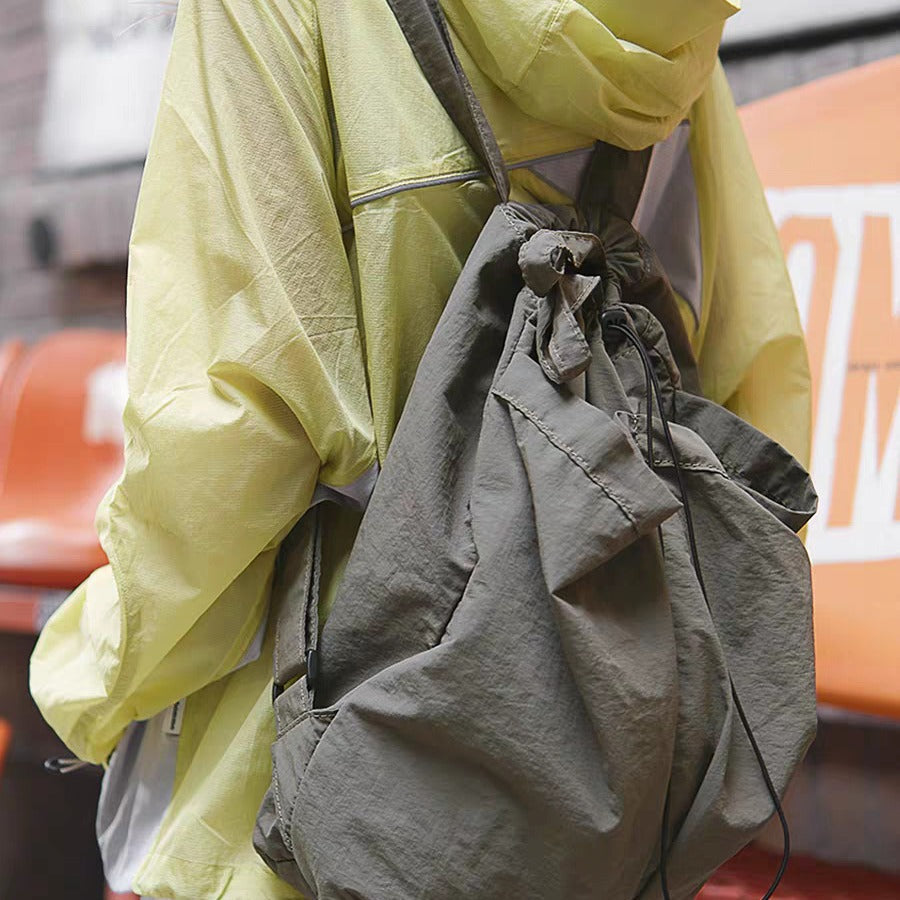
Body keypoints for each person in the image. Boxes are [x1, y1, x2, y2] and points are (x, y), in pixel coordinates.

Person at [30, 1, 811, 898]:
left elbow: (236, 435)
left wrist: (97, 671)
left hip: (323, 773)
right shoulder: (675, 38)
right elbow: (750, 370)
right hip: (603, 769)